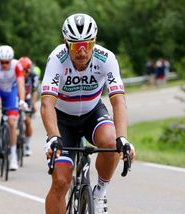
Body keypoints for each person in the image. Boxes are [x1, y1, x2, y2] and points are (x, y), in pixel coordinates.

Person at [40, 13, 136, 214]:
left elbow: (118, 101)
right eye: (76, 46)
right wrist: (53, 137)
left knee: (111, 143)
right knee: (60, 182)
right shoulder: (57, 59)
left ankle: (99, 193)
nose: (82, 51)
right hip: (63, 120)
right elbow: (47, 103)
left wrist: (123, 138)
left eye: (87, 44)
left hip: (93, 114)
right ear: (66, 43)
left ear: (94, 42)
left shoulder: (106, 58)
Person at [0, 45, 26, 170]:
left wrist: (22, 100)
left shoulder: (17, 65)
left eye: (7, 62)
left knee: (12, 124)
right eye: (2, 62)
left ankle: (13, 157)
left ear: (11, 60)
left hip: (11, 92)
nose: (4, 65)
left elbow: (20, 84)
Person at [18, 56, 39, 156]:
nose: (23, 73)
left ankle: (27, 144)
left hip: (27, 98)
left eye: (25, 71)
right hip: (15, 97)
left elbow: (34, 91)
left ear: (28, 70)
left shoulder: (33, 76)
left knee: (28, 121)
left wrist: (33, 104)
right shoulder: (16, 74)